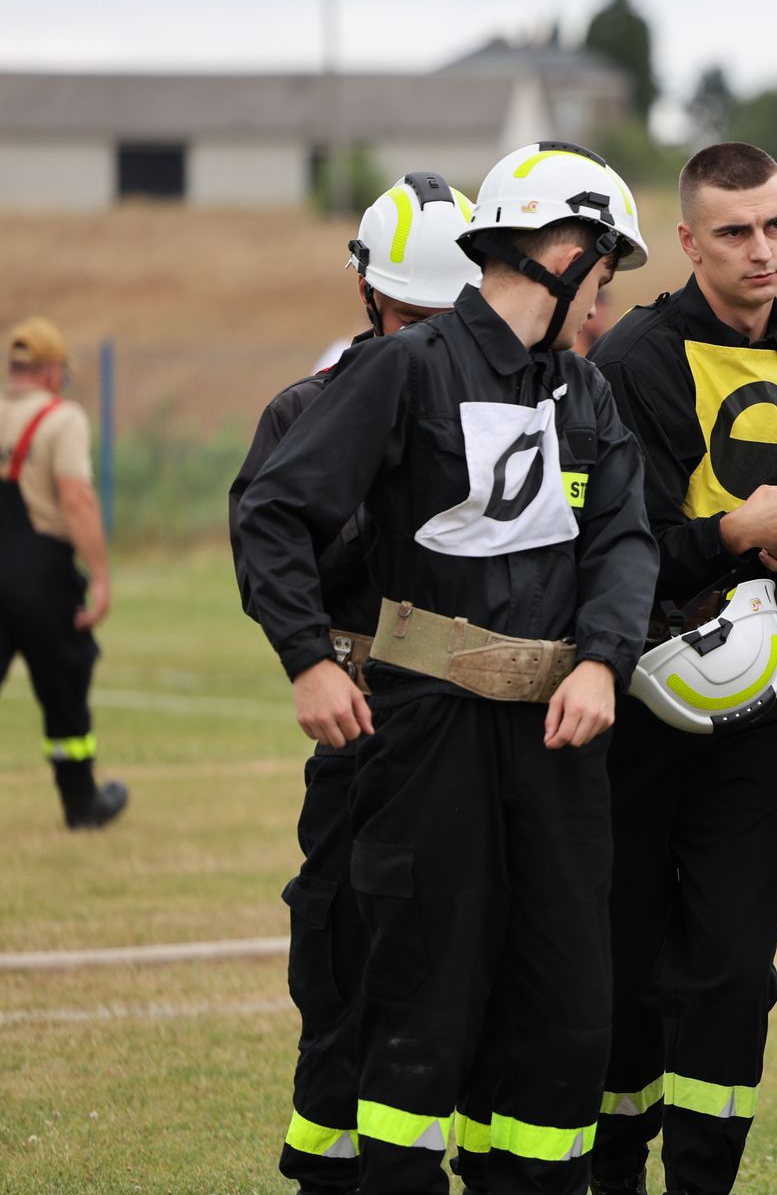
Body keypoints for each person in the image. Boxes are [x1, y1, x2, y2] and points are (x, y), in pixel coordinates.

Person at [236, 140, 658, 1194]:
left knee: (565, 1006)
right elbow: (274, 510)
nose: (602, 306)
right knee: (424, 993)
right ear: (560, 252)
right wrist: (309, 660)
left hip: (557, 751)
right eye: (601, 277)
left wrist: (603, 660)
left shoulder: (584, 394)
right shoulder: (404, 371)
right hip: (427, 742)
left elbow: (624, 540)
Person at [585, 141, 777, 1195]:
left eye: (776, 225)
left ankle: (705, 1180)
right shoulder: (635, 362)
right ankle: (616, 1175)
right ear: (688, 240)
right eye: (734, 231)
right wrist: (737, 533)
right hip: (635, 714)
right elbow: (621, 544)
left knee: (738, 969)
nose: (761, 249)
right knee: (623, 967)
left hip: (751, 721)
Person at [227, 171, 479, 1194]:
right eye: (415, 314)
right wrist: (311, 658)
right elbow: (270, 538)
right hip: (375, 724)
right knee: (341, 950)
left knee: (444, 958)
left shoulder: (524, 409)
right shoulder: (312, 413)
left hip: (462, 728)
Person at [1, 317, 123, 830]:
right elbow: (75, 497)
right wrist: (98, 576)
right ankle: (80, 804)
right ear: (52, 372)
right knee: (64, 684)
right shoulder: (61, 418)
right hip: (40, 573)